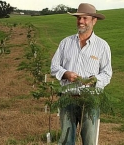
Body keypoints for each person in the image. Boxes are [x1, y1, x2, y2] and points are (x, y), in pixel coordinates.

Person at [50, 3, 112, 145]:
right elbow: (54, 66)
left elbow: (107, 73)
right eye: (78, 18)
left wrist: (95, 80)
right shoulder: (66, 43)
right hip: (67, 99)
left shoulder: (102, 46)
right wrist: (65, 74)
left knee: (90, 141)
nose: (81, 21)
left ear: (94, 21)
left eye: (85, 18)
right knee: (66, 140)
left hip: (90, 101)